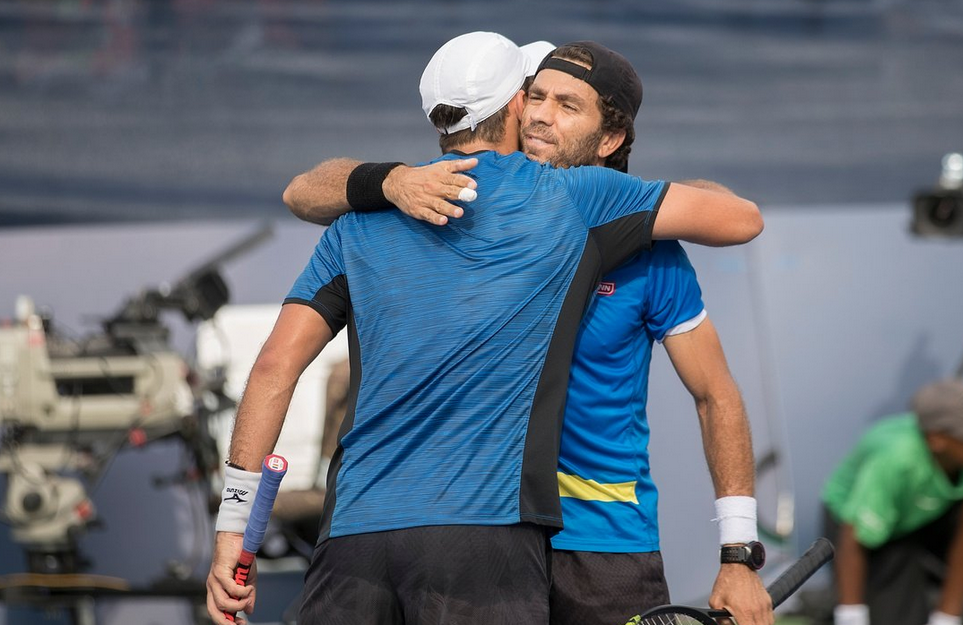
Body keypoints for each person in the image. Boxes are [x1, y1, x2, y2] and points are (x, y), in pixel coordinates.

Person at [207, 31, 762, 625]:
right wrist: (389, 181)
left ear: (611, 138)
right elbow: (304, 192)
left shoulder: (628, 230)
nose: (544, 117)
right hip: (489, 535)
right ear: (515, 106)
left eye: (566, 106)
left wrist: (739, 554)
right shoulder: (483, 199)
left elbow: (717, 382)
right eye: (537, 96)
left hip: (595, 547)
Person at [824, 377, 963, 625]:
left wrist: (947, 616)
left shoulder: (950, 451)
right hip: (861, 527)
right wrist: (851, 616)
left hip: (924, 513)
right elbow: (854, 536)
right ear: (937, 439)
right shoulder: (894, 459)